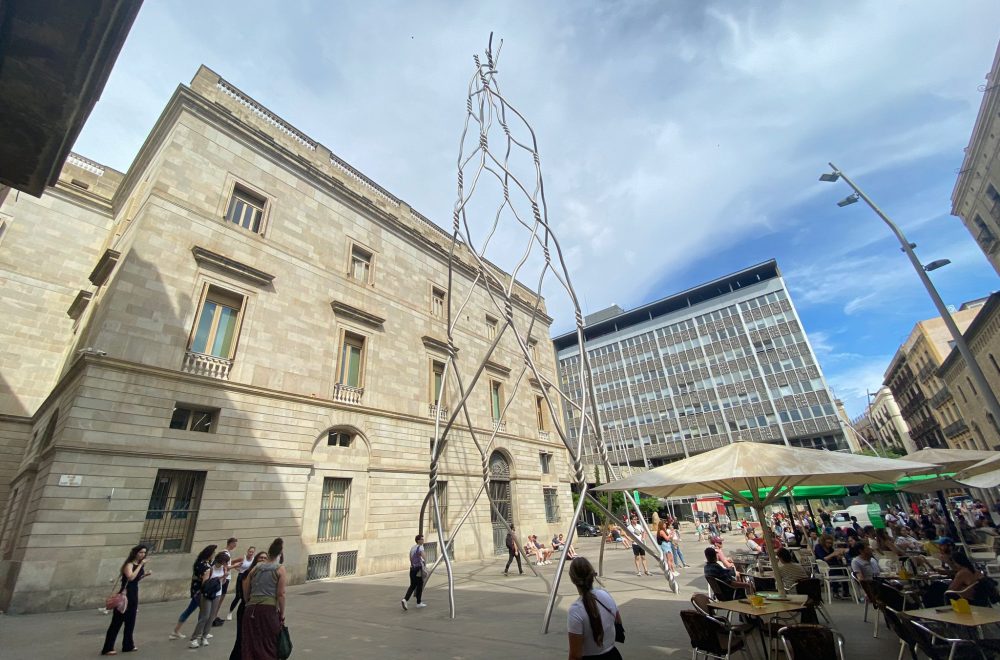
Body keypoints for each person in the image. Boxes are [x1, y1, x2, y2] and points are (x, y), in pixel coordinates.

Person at [567, 557, 622, 660]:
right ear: (592, 575)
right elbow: (618, 620)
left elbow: (575, 655)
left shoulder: (575, 610)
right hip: (613, 654)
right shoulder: (605, 594)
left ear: (572, 579)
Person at [241, 538, 286, 660]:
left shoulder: (257, 567)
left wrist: (248, 601)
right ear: (280, 553)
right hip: (268, 610)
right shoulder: (280, 569)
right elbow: (281, 594)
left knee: (250, 642)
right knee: (268, 643)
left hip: (251, 608)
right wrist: (282, 613)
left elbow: (245, 585)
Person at [101, 544, 150, 655]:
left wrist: (145, 574)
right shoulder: (129, 564)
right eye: (141, 552)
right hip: (125, 595)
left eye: (144, 553)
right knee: (116, 623)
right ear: (135, 553)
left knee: (130, 622)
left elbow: (136, 579)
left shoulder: (139, 565)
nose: (143, 555)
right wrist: (140, 565)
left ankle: (128, 645)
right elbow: (131, 577)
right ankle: (108, 647)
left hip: (133, 595)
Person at [171, 544, 217, 640]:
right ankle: (176, 631)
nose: (213, 555)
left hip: (199, 590)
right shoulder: (202, 564)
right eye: (213, 553)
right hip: (199, 591)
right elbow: (204, 577)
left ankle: (202, 631)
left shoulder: (205, 563)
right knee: (193, 610)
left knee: (203, 612)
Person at [229, 551, 267, 660]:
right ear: (256, 559)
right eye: (261, 558)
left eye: (265, 558)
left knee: (254, 639)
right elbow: (245, 596)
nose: (263, 560)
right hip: (246, 609)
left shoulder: (266, 574)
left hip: (257, 610)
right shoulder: (248, 573)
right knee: (242, 637)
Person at [190, 551, 229, 648]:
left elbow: (222, 583)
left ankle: (204, 637)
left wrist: (224, 577)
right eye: (225, 562)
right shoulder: (210, 569)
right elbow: (204, 583)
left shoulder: (224, 569)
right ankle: (194, 638)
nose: (226, 564)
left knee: (212, 617)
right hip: (207, 595)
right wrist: (220, 577)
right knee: (205, 616)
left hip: (217, 594)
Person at [814, 534, 851, 599]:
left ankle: (846, 591)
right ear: (823, 542)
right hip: (823, 567)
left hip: (833, 565)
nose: (830, 544)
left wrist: (838, 556)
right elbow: (823, 558)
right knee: (834, 571)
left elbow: (833, 558)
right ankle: (835, 592)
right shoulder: (818, 547)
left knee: (845, 571)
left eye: (831, 543)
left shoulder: (830, 548)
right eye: (828, 543)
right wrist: (833, 554)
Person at [213, 536, 239, 626]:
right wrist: (236, 565)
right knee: (220, 598)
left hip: (225, 577)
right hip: (225, 578)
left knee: (220, 598)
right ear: (231, 543)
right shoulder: (225, 553)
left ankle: (214, 616)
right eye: (234, 544)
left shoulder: (226, 553)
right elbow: (226, 566)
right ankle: (213, 616)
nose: (235, 546)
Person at [227, 546, 257, 621]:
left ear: (254, 553)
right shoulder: (242, 558)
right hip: (241, 577)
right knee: (238, 596)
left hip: (249, 578)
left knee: (247, 596)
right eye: (250, 551)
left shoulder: (254, 560)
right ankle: (230, 612)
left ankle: (246, 613)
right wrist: (238, 569)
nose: (251, 553)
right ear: (247, 551)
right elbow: (232, 562)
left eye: (252, 552)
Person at [401, 533, 427, 610]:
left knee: (413, 585)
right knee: (420, 585)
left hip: (412, 569)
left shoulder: (413, 548)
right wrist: (424, 563)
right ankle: (418, 603)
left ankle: (405, 599)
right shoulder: (420, 547)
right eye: (422, 539)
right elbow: (424, 556)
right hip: (418, 569)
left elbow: (410, 557)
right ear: (418, 540)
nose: (423, 540)